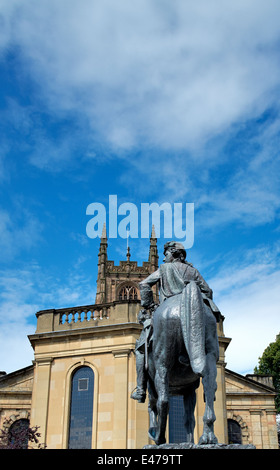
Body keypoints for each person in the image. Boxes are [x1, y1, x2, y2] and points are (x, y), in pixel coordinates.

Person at [131, 241, 220, 403]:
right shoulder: (193, 271)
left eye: (166, 254)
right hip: (195, 315)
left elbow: (144, 284)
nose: (164, 258)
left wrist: (149, 305)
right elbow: (208, 291)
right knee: (211, 352)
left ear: (173, 253)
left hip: (165, 312)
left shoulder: (165, 269)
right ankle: (209, 390)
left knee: (141, 348)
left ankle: (140, 389)